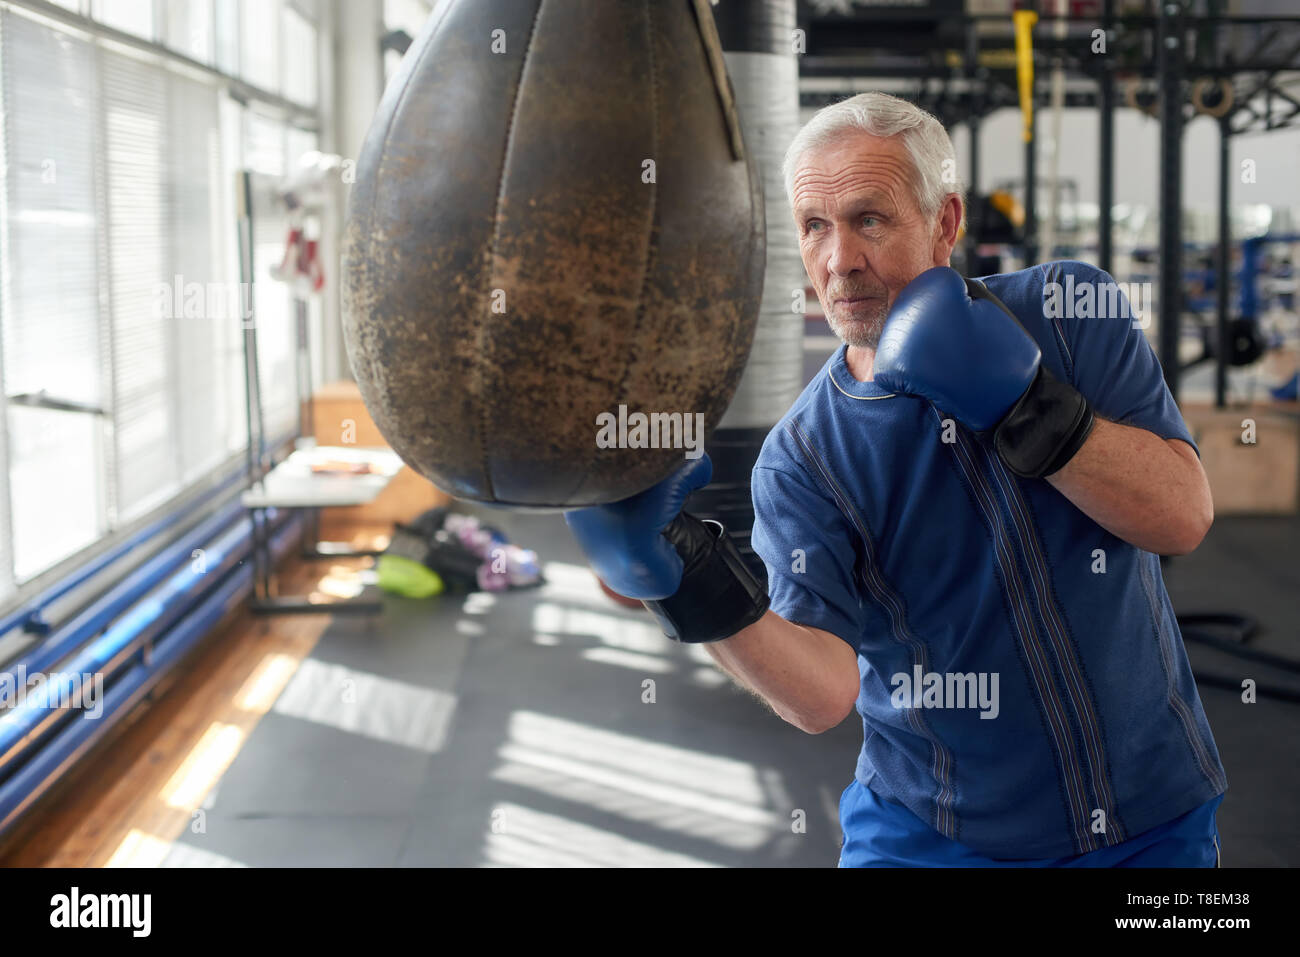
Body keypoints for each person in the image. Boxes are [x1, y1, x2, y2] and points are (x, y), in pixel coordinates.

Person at [566, 92, 1226, 867]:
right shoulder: (805, 455)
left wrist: (1032, 406)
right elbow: (821, 694)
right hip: (934, 834)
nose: (839, 259)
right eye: (815, 226)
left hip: (1149, 816)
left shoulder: (1066, 315)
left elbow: (1181, 517)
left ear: (944, 223)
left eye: (868, 219)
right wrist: (680, 580)